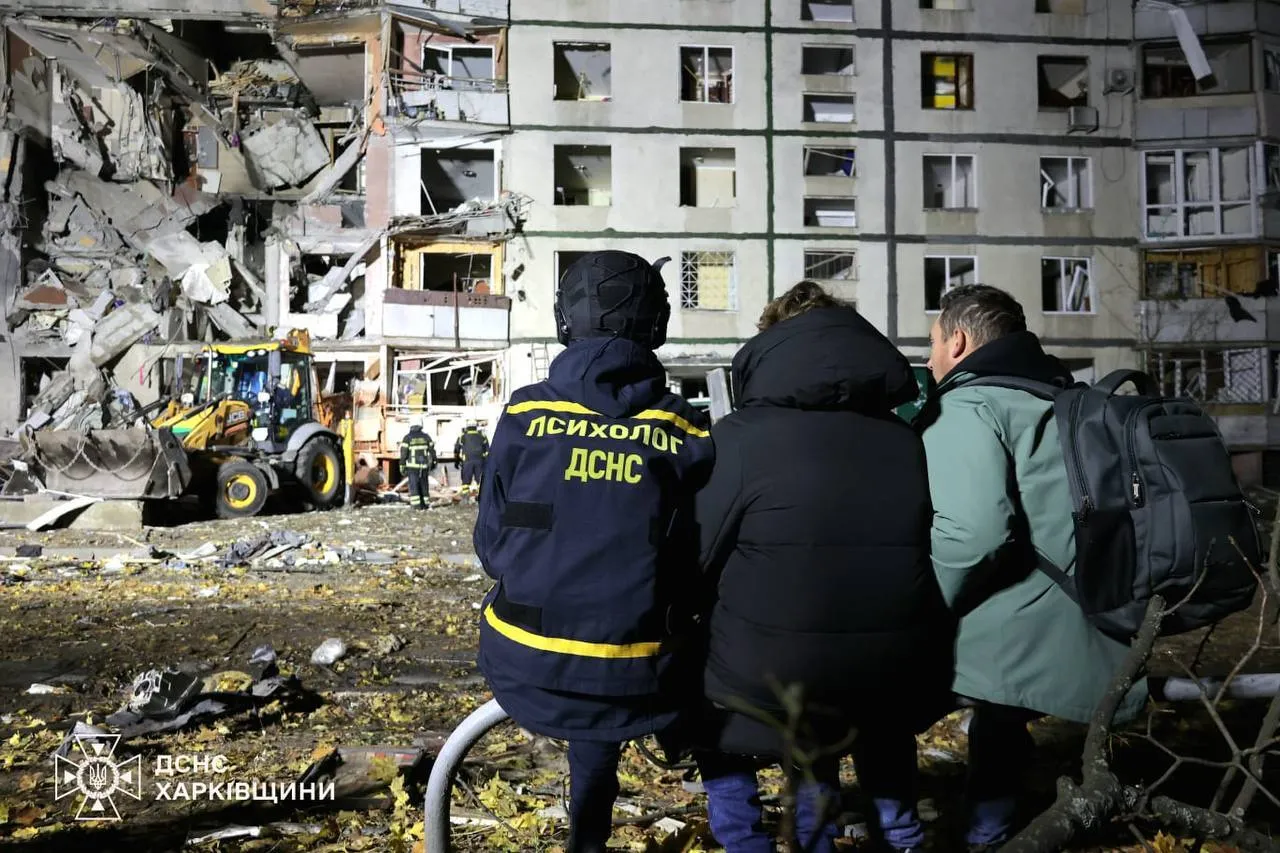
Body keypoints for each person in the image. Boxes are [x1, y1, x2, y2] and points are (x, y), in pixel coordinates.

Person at [693, 281, 955, 853]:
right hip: (889, 665)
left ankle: (744, 841)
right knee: (869, 719)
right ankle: (903, 837)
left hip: (767, 674)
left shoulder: (738, 440)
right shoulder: (903, 439)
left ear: (771, 348)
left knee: (710, 707)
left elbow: (697, 553)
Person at [473, 251, 714, 853]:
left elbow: (492, 542)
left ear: (564, 321)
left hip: (526, 665)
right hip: (644, 673)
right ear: (656, 326)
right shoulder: (686, 429)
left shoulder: (526, 412)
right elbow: (697, 559)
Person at [918, 285, 1148, 849]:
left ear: (959, 339)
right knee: (1001, 719)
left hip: (1014, 624)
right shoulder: (1067, 397)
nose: (928, 361)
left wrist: (919, 608)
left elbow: (973, 535)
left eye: (932, 345)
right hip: (1091, 609)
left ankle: (973, 834)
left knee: (891, 686)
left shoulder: (969, 405)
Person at [400, 421, 436, 509]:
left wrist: (402, 466)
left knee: (414, 486)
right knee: (424, 485)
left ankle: (416, 505)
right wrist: (434, 462)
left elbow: (403, 454)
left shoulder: (407, 438)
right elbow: (432, 452)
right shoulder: (426, 437)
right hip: (424, 467)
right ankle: (425, 504)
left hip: (412, 468)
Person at [454, 422, 489, 497]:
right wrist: (486, 460)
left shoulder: (463, 436)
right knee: (480, 480)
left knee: (466, 480)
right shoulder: (482, 436)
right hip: (480, 460)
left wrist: (456, 462)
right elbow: (487, 450)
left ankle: (465, 497)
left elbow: (456, 449)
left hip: (467, 461)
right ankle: (481, 497)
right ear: (476, 427)